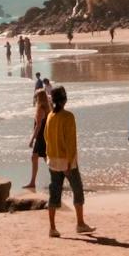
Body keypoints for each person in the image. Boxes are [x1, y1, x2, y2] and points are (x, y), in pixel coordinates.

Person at [42, 85, 94, 237]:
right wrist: (70, 162)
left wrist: (49, 156)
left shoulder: (50, 116)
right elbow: (70, 142)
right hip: (66, 161)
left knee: (54, 192)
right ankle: (80, 223)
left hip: (52, 160)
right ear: (65, 99)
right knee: (77, 190)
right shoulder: (68, 116)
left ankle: (52, 228)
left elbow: (46, 138)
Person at [25, 81, 52, 190]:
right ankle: (58, 177)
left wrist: (32, 140)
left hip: (41, 137)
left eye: (35, 97)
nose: (35, 99)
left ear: (38, 98)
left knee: (36, 157)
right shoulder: (47, 108)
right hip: (45, 136)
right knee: (45, 158)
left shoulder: (40, 109)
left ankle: (32, 182)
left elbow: (38, 126)